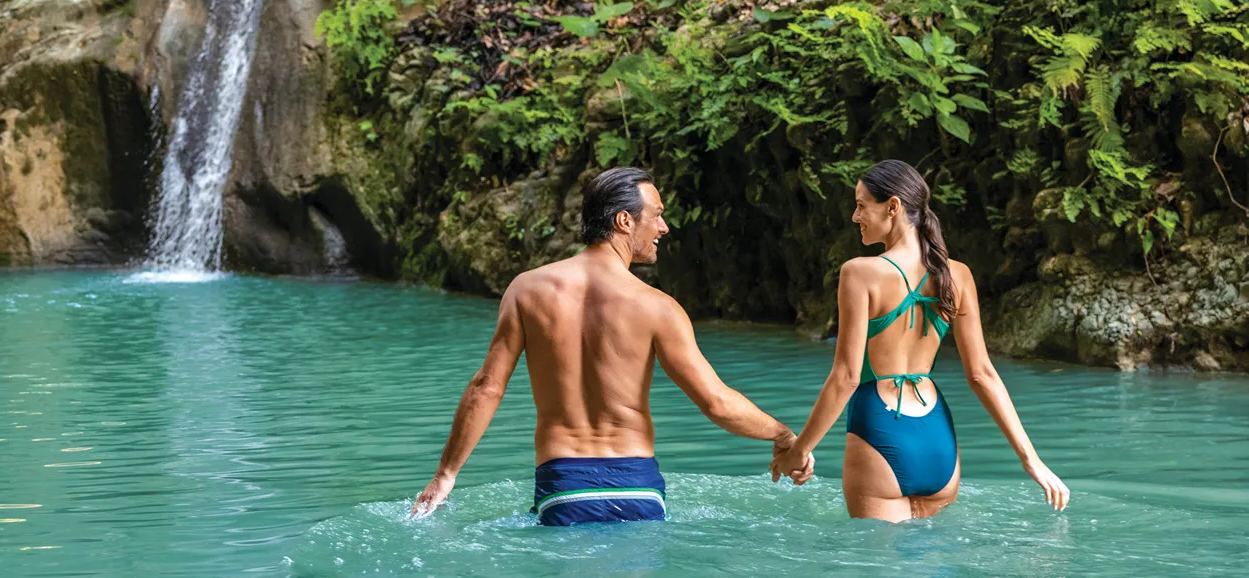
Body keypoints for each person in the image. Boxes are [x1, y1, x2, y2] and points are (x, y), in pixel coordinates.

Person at [409, 167, 809, 526]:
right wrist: (783, 435)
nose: (664, 227)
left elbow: (487, 388)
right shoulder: (657, 307)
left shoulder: (527, 290)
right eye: (656, 215)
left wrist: (446, 474)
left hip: (564, 486)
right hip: (638, 488)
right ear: (624, 220)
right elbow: (717, 402)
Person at [773, 159, 1070, 520]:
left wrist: (800, 450)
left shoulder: (860, 273)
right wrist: (1032, 460)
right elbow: (982, 375)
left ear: (893, 206)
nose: (855, 216)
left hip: (880, 428)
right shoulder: (957, 275)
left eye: (862, 205)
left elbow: (847, 377)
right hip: (937, 440)